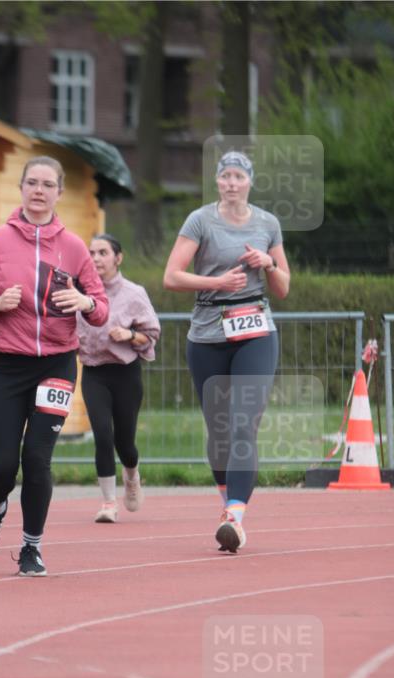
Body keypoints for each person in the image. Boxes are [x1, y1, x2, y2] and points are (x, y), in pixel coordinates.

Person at [0, 156, 108, 575]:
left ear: (59, 192)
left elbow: (101, 309)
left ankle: (31, 547)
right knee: (2, 464)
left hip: (57, 363)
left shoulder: (74, 247)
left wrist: (85, 301)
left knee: (37, 459)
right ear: (21, 189)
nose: (39, 191)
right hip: (6, 365)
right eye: (32, 184)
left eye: (47, 185)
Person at [163, 150, 290, 552]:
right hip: (207, 331)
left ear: (250, 181)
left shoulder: (268, 222)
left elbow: (283, 286)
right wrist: (217, 283)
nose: (232, 183)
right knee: (219, 429)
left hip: (255, 328)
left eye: (239, 176)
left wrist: (268, 262)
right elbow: (172, 277)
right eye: (225, 176)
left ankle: (236, 514)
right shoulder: (200, 220)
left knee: (243, 423)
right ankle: (226, 505)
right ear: (217, 181)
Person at [78, 234, 160, 523]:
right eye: (92, 253)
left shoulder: (133, 293)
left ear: (118, 258)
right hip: (93, 373)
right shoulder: (80, 293)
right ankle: (108, 502)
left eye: (103, 252)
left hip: (125, 373)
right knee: (102, 435)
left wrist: (129, 335)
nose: (96, 258)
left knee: (125, 443)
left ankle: (132, 473)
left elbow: (151, 334)